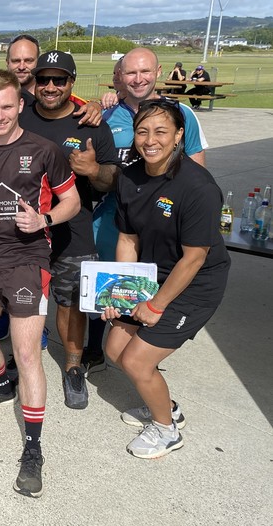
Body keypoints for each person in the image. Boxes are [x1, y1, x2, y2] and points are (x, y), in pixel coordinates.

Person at [0, 69, 80, 498]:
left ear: (20, 104)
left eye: (7, 106)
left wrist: (43, 219)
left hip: (30, 259)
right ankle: (0, 383)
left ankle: (33, 446)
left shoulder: (45, 151)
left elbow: (73, 200)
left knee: (28, 352)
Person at [104, 99, 229, 458]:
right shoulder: (129, 176)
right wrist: (121, 293)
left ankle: (166, 430)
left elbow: (195, 258)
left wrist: (157, 305)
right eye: (142, 131)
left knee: (136, 361)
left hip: (195, 283)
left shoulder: (198, 186)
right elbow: (128, 239)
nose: (150, 139)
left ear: (178, 136)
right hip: (151, 275)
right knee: (116, 349)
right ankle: (164, 404)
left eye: (161, 131)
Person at [88, 49, 208, 374]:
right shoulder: (107, 115)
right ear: (119, 76)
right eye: (130, 73)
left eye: (145, 71)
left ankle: (144, 359)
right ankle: (97, 349)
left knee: (156, 293)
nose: (138, 79)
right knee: (112, 292)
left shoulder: (182, 114)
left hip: (163, 223)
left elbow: (198, 173)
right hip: (117, 221)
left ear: (158, 71)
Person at [18, 50, 119, 410]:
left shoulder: (91, 124)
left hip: (73, 229)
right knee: (21, 299)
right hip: (24, 228)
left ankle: (73, 367)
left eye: (58, 80)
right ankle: (22, 355)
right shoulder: (18, 114)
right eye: (43, 79)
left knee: (71, 302)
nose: (49, 86)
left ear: (71, 84)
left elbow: (111, 181)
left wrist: (93, 171)